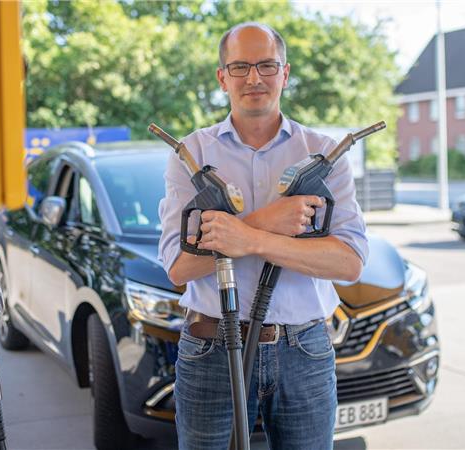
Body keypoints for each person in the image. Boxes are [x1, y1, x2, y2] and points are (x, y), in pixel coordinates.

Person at [157, 22, 368, 450]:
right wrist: (266, 220)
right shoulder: (191, 155)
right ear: (222, 78)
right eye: (240, 67)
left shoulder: (324, 155)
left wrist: (249, 239)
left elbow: (349, 263)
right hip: (211, 348)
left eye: (267, 65)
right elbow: (179, 265)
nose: (254, 78)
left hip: (304, 350)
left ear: (285, 74)